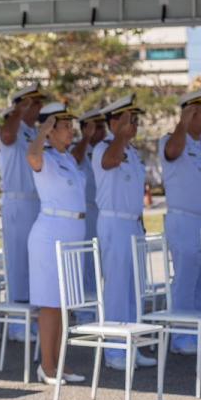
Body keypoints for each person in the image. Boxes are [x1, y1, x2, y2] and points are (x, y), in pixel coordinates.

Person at [92, 95, 156, 371]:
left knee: (132, 290)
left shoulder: (131, 152)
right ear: (114, 122)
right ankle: (115, 351)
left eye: (136, 120)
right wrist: (119, 135)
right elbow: (109, 162)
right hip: (114, 223)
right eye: (129, 119)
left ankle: (132, 344)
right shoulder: (104, 148)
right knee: (117, 287)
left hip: (132, 223)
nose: (134, 125)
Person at [159, 88, 201, 355]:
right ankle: (181, 338)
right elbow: (172, 152)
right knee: (185, 280)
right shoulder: (172, 139)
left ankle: (195, 333)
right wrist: (182, 124)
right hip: (186, 222)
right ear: (189, 113)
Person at [26, 102, 88, 385]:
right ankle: (46, 366)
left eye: (69, 125)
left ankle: (60, 363)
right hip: (50, 236)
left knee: (65, 304)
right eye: (63, 126)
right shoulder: (46, 157)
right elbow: (32, 156)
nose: (70, 130)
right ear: (50, 131)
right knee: (50, 304)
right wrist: (43, 130)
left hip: (70, 233)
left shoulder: (68, 160)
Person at [0, 85, 47, 340]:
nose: (37, 109)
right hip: (16, 203)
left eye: (37, 105)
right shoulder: (11, 130)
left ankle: (33, 317)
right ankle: (18, 323)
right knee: (17, 262)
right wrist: (18, 110)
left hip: (36, 202)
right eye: (33, 104)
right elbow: (6, 135)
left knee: (33, 263)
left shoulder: (33, 132)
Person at [74, 108, 107, 313]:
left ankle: (96, 306)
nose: (101, 131)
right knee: (86, 263)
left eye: (102, 126)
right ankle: (84, 311)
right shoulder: (79, 150)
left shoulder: (105, 149)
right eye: (96, 127)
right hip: (86, 212)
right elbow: (73, 159)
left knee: (99, 263)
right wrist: (86, 137)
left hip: (102, 211)